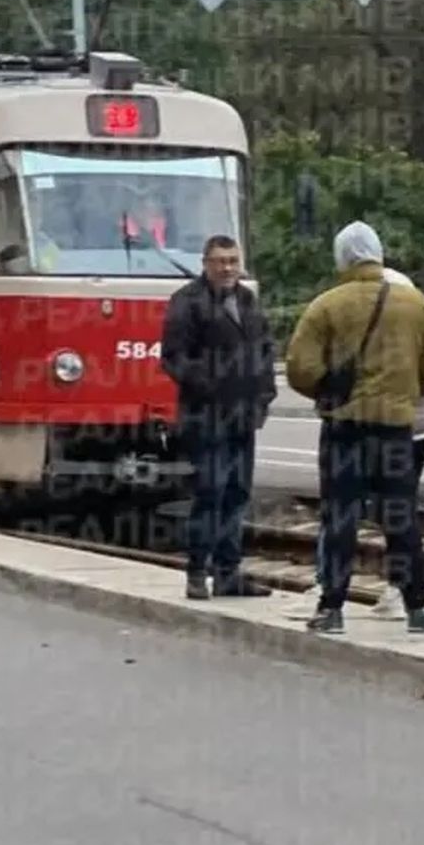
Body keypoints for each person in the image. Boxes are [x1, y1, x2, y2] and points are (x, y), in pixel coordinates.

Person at [284, 221, 424, 634]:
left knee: (340, 517)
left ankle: (331, 608)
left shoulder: (326, 305)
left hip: (344, 429)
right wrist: (407, 390)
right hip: (395, 429)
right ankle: (418, 608)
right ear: (379, 252)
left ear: (341, 256)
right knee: (402, 518)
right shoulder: (416, 304)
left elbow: (299, 368)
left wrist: (329, 392)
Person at [160, 234, 277, 599]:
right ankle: (197, 571)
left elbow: (264, 349)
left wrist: (264, 395)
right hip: (206, 416)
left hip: (244, 415)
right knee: (210, 490)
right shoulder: (187, 302)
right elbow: (173, 357)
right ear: (205, 263)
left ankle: (229, 572)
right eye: (219, 261)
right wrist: (211, 385)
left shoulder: (247, 299)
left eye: (232, 260)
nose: (227, 267)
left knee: (237, 492)